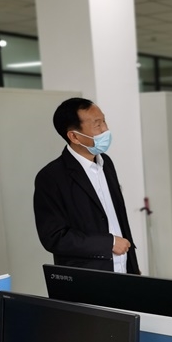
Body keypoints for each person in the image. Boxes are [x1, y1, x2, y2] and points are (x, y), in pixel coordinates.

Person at [34, 97, 139, 274]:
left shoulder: (106, 163)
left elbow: (117, 218)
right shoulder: (51, 177)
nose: (105, 129)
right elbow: (54, 237)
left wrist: (132, 267)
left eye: (104, 121)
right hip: (88, 277)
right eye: (97, 125)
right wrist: (109, 243)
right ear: (74, 136)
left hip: (124, 269)